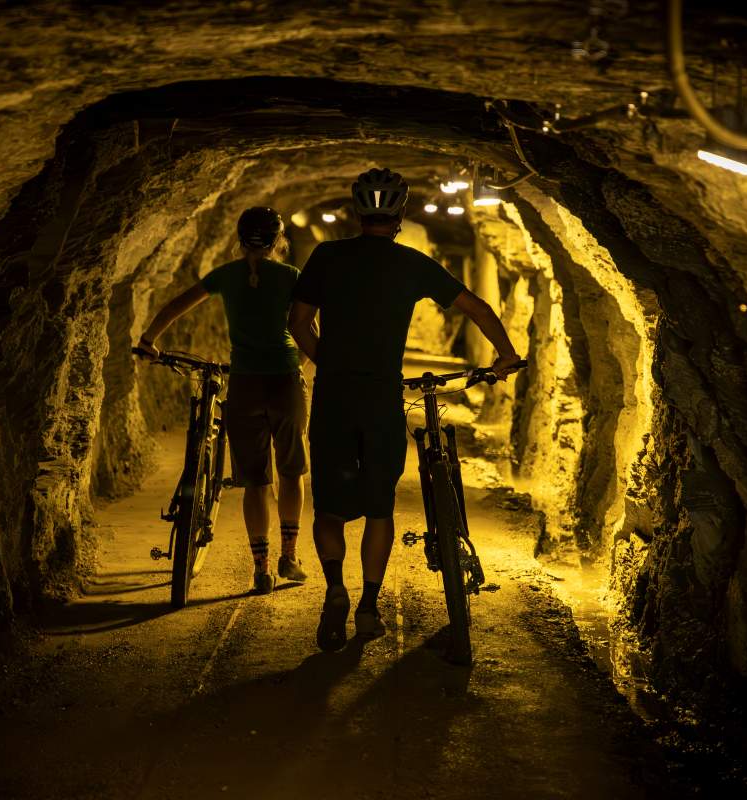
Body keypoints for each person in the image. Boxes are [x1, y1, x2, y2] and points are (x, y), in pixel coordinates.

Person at [288, 168, 521, 652]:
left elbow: (298, 321)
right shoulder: (412, 264)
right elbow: (476, 307)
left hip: (334, 395)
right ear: (399, 216)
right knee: (379, 507)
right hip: (380, 398)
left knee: (329, 504)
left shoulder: (327, 257)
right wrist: (505, 356)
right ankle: (369, 605)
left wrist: (325, 361)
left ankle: (334, 588)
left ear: (357, 213)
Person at [137, 207, 309, 596]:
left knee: (255, 482)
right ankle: (289, 556)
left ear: (239, 238)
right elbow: (306, 328)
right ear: (279, 241)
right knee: (291, 472)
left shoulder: (226, 276)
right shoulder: (291, 277)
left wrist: (149, 341)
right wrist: (306, 363)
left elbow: (175, 305)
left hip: (245, 383)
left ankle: (261, 569)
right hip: (284, 380)